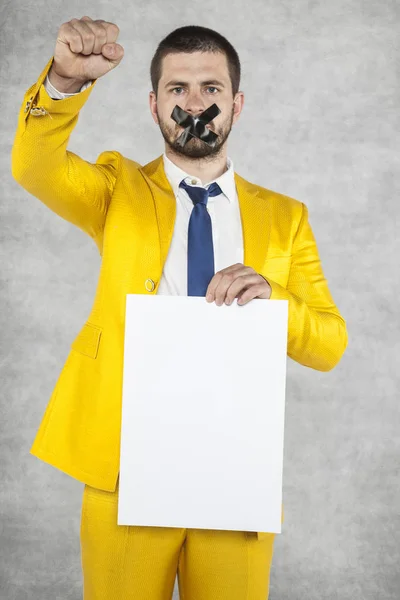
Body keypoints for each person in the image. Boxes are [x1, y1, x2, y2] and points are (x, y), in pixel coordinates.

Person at [11, 16, 348, 600]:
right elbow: (33, 167)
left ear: (236, 104)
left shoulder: (285, 217)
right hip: (126, 463)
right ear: (153, 104)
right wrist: (65, 80)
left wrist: (273, 300)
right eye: (178, 89)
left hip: (236, 465)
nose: (195, 102)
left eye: (211, 89)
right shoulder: (118, 189)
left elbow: (329, 343)